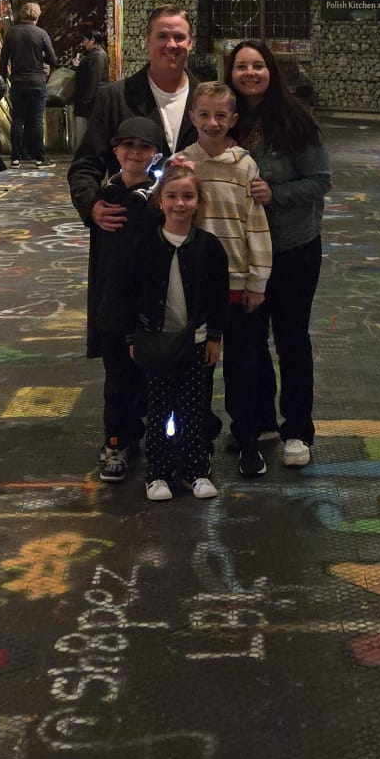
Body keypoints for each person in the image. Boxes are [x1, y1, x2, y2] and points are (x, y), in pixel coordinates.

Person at [225, 39, 332, 470]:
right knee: (248, 340)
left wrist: (276, 194)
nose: (250, 73)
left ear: (272, 71)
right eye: (241, 66)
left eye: (258, 66)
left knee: (291, 339)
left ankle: (298, 430)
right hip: (241, 252)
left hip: (293, 247)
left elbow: (320, 180)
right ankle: (261, 421)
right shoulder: (224, 118)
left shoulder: (296, 120)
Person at [171, 84, 272, 476]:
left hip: (237, 286)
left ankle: (247, 438)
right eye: (204, 114)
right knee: (197, 370)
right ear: (192, 117)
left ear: (233, 120)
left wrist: (256, 282)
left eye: (220, 116)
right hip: (196, 288)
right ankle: (199, 438)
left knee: (244, 366)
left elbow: (256, 227)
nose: (212, 122)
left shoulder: (244, 166)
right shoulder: (183, 164)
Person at [126, 166, 228, 503]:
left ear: (198, 202)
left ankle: (195, 471)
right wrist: (132, 338)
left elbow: (218, 296)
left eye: (187, 196)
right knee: (158, 410)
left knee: (193, 410)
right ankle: (157, 473)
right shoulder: (144, 245)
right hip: (155, 344)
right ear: (160, 201)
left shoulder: (209, 247)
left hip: (195, 344)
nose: (179, 203)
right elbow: (131, 294)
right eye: (171, 196)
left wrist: (214, 337)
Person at [68, 7, 199, 240]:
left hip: (193, 232)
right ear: (148, 40)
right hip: (131, 231)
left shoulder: (206, 100)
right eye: (162, 36)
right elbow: (85, 164)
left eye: (179, 37)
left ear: (191, 42)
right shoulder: (115, 98)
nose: (171, 44)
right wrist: (92, 205)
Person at [85, 115, 162, 484]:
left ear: (156, 154)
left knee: (149, 380)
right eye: (128, 145)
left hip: (146, 308)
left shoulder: (157, 202)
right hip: (113, 306)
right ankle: (116, 441)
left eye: (144, 147)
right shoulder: (104, 198)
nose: (135, 153)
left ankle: (153, 439)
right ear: (115, 150)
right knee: (116, 380)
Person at [0, 1, 57, 167]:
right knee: (36, 120)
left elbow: (4, 59)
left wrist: (3, 79)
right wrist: (40, 57)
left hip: (18, 82)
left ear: (21, 15)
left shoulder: (11, 33)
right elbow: (53, 59)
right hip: (37, 82)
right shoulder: (41, 34)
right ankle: (39, 158)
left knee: (18, 119)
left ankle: (15, 158)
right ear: (37, 16)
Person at [72, 24, 109, 128]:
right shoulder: (94, 54)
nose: (84, 44)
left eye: (85, 40)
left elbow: (94, 79)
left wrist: (86, 100)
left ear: (92, 40)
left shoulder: (97, 56)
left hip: (91, 103)